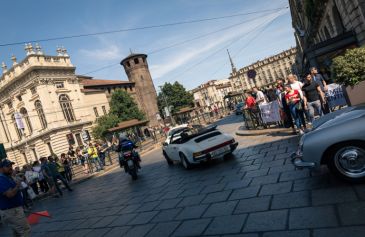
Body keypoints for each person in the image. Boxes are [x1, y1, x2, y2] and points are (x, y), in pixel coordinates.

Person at [0, 159, 31, 236]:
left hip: (13, 210)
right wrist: (17, 185)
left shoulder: (7, 177)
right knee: (25, 230)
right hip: (12, 211)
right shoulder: (1, 179)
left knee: (17, 232)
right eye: (7, 166)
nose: (10, 167)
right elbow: (9, 194)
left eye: (11, 165)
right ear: (1, 168)